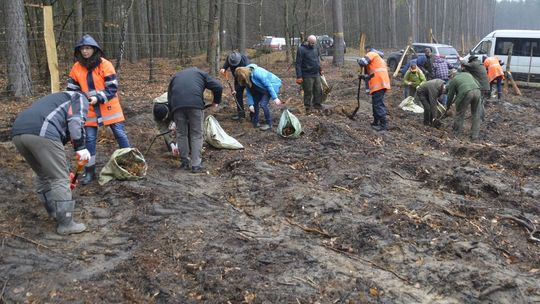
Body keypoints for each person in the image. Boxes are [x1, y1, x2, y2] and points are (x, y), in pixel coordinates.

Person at [11, 91, 90, 235]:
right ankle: (66, 224)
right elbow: (76, 122)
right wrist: (81, 148)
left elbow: (57, 144)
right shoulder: (79, 98)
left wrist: (66, 170)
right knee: (60, 179)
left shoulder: (57, 98)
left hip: (18, 132)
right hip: (42, 131)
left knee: (43, 174)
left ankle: (53, 211)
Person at [67, 34, 130, 185]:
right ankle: (89, 171)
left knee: (120, 133)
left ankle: (129, 162)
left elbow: (112, 88)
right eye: (82, 49)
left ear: (94, 49)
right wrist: (78, 102)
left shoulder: (105, 65)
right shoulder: (76, 67)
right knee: (89, 139)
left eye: (88, 48)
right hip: (88, 109)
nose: (85, 51)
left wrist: (99, 98)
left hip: (109, 106)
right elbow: (72, 90)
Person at [168, 67, 222, 173]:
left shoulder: (176, 76)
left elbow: (169, 97)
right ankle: (196, 165)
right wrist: (216, 101)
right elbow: (218, 86)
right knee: (196, 133)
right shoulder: (201, 73)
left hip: (177, 106)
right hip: (195, 105)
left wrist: (172, 117)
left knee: (181, 134)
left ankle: (184, 162)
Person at [235, 64, 283, 131]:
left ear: (243, 75)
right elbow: (249, 92)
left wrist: (275, 98)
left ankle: (269, 124)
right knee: (255, 103)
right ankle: (256, 121)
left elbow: (268, 85)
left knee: (263, 104)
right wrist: (251, 104)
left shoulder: (257, 73)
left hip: (272, 84)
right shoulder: (247, 78)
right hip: (261, 88)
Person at [357, 48, 392, 131]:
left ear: (367, 50)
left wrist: (359, 60)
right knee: (375, 103)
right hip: (381, 83)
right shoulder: (378, 59)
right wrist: (363, 76)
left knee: (378, 104)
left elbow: (363, 62)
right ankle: (376, 122)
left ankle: (383, 125)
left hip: (378, 83)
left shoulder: (372, 54)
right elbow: (371, 74)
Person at [446, 69, 482, 141]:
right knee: (476, 114)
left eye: (449, 77)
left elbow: (450, 95)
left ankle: (456, 134)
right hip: (477, 91)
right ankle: (474, 136)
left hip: (466, 92)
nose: (450, 78)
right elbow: (478, 84)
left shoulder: (454, 80)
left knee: (460, 114)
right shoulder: (467, 74)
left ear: (452, 75)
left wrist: (448, 105)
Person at [295, 35, 323, 113]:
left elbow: (317, 60)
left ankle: (317, 104)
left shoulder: (316, 48)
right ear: (308, 41)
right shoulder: (301, 49)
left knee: (318, 90)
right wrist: (299, 76)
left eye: (314, 43)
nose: (313, 45)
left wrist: (320, 69)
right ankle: (307, 107)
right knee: (308, 91)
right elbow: (298, 63)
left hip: (316, 73)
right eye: (311, 43)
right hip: (307, 74)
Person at [220, 51, 249, 120]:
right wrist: (223, 68)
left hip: (246, 78)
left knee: (251, 95)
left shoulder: (244, 60)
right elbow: (226, 65)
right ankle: (241, 115)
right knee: (238, 96)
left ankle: (253, 114)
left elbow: (248, 71)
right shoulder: (230, 58)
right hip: (237, 79)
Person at [152, 92, 178, 156]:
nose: (164, 121)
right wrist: (172, 144)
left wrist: (178, 143)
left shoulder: (176, 103)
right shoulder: (155, 112)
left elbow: (182, 126)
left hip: (178, 108)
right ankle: (171, 148)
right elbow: (163, 129)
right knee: (166, 131)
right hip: (168, 112)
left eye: (165, 118)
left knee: (183, 128)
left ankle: (186, 147)